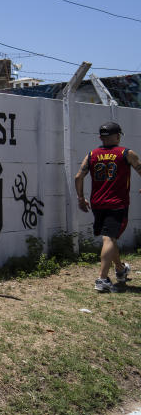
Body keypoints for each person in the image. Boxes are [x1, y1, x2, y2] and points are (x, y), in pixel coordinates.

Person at [74, 121, 141, 292]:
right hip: (117, 204)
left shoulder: (91, 155)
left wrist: (81, 198)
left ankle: (120, 269)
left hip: (97, 204)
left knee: (109, 237)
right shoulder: (126, 153)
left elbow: (78, 177)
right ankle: (102, 279)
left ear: (100, 138)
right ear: (118, 136)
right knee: (109, 238)